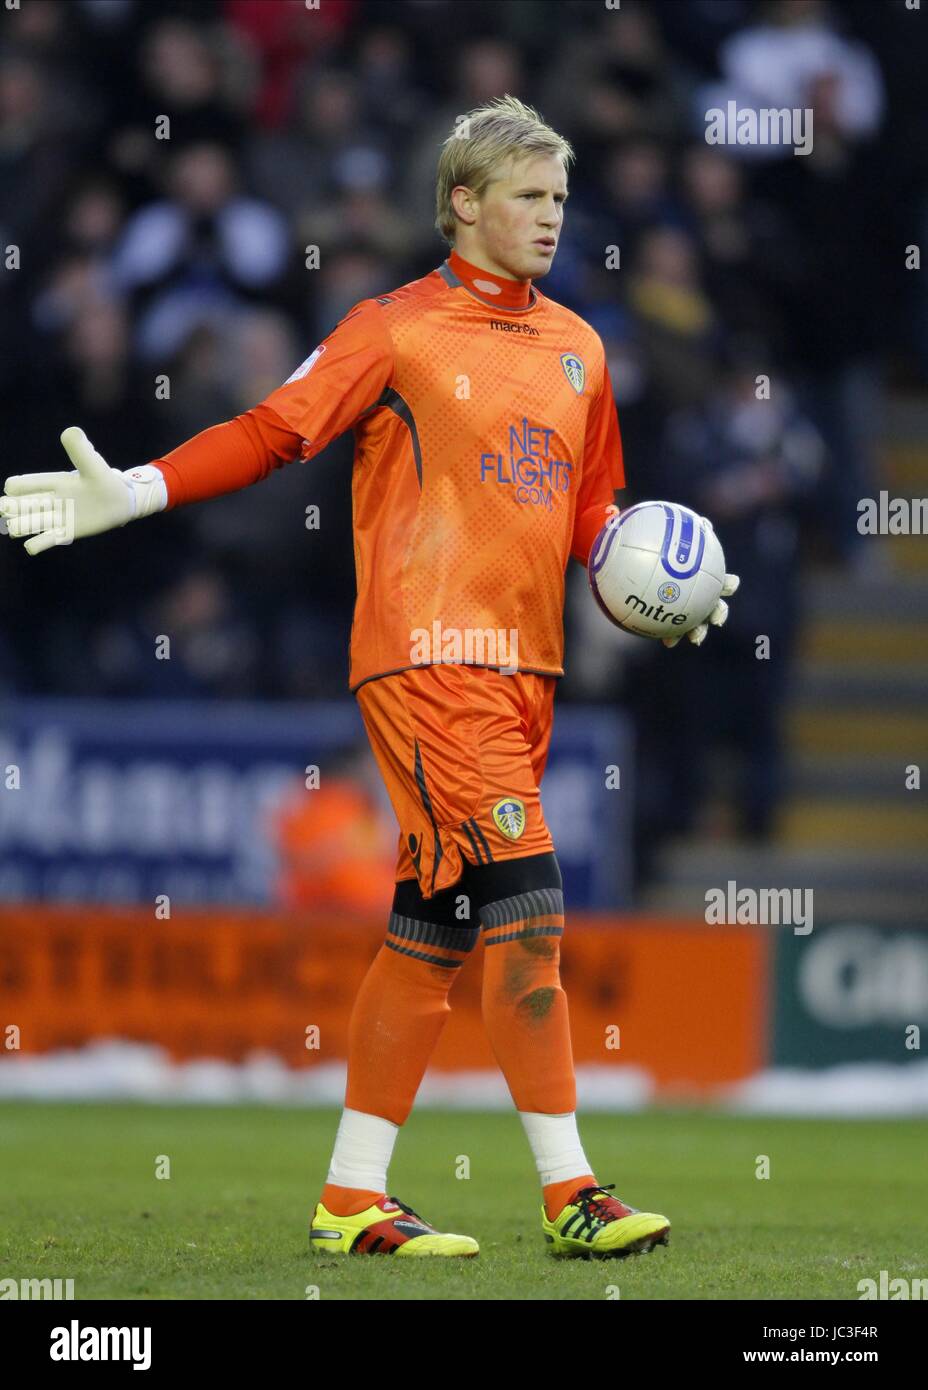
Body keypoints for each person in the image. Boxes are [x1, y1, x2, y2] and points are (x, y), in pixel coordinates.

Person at [1, 97, 735, 1261]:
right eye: (526, 197)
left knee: (432, 930)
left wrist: (658, 586)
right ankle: (573, 1195)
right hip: (429, 657)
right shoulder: (391, 330)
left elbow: (594, 512)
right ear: (461, 202)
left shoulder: (581, 349)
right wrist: (136, 486)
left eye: (557, 197)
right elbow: (274, 430)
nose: (550, 217)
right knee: (530, 921)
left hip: (526, 670)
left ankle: (352, 1197)